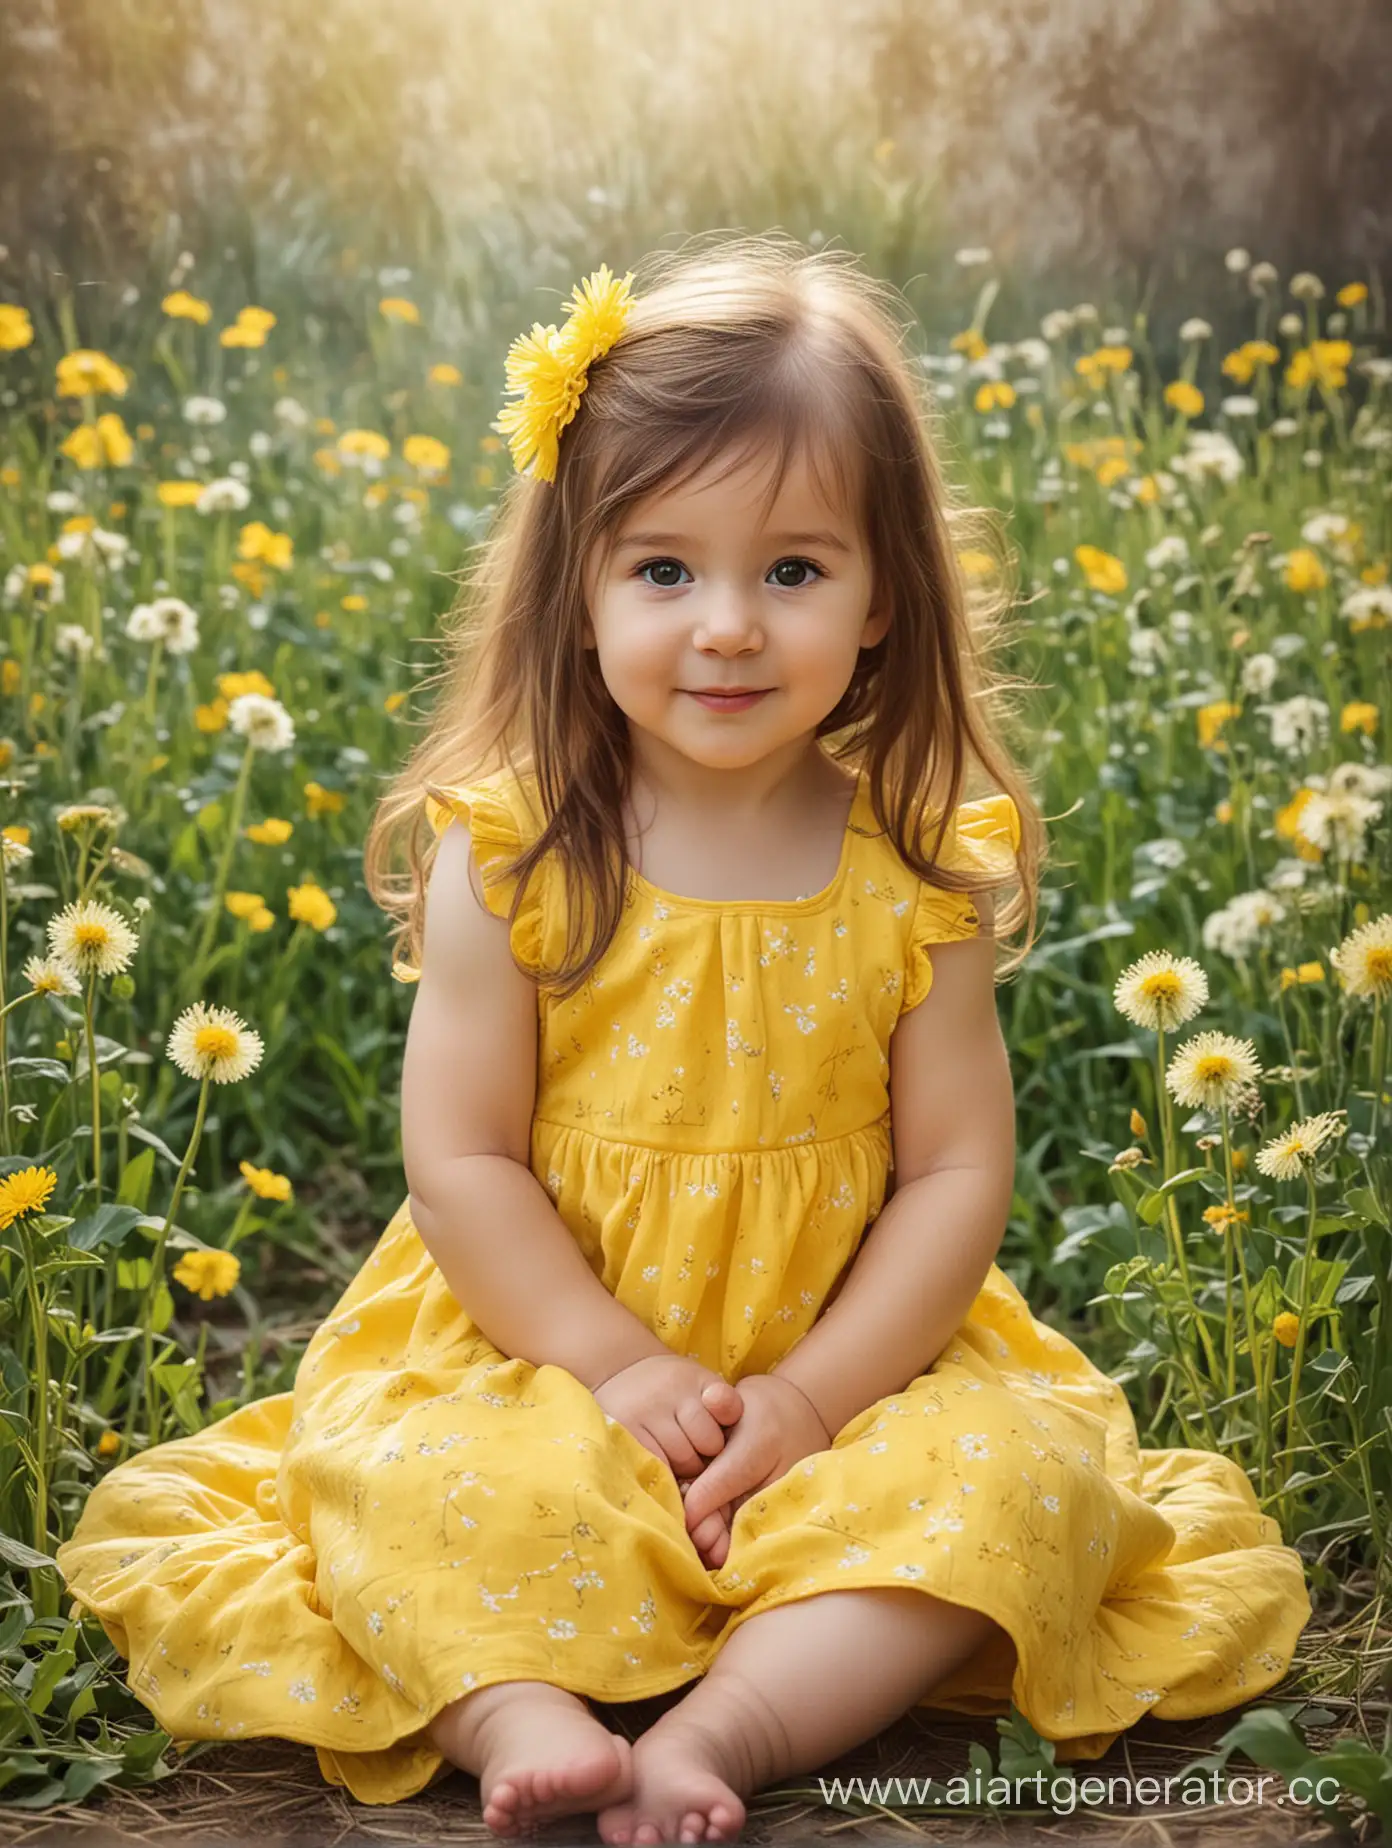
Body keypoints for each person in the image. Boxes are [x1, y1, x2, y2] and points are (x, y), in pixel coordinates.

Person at [56, 235, 1311, 1846]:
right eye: (665, 570)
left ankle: (729, 1730)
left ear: (881, 603)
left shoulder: (915, 867)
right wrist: (615, 1365)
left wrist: (810, 1398)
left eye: (793, 571)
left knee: (1015, 1486)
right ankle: (523, 1713)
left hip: (847, 1359)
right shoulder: (508, 851)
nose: (727, 625)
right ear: (575, 595)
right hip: (539, 1348)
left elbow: (953, 1174)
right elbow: (462, 1159)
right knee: (406, 1492)